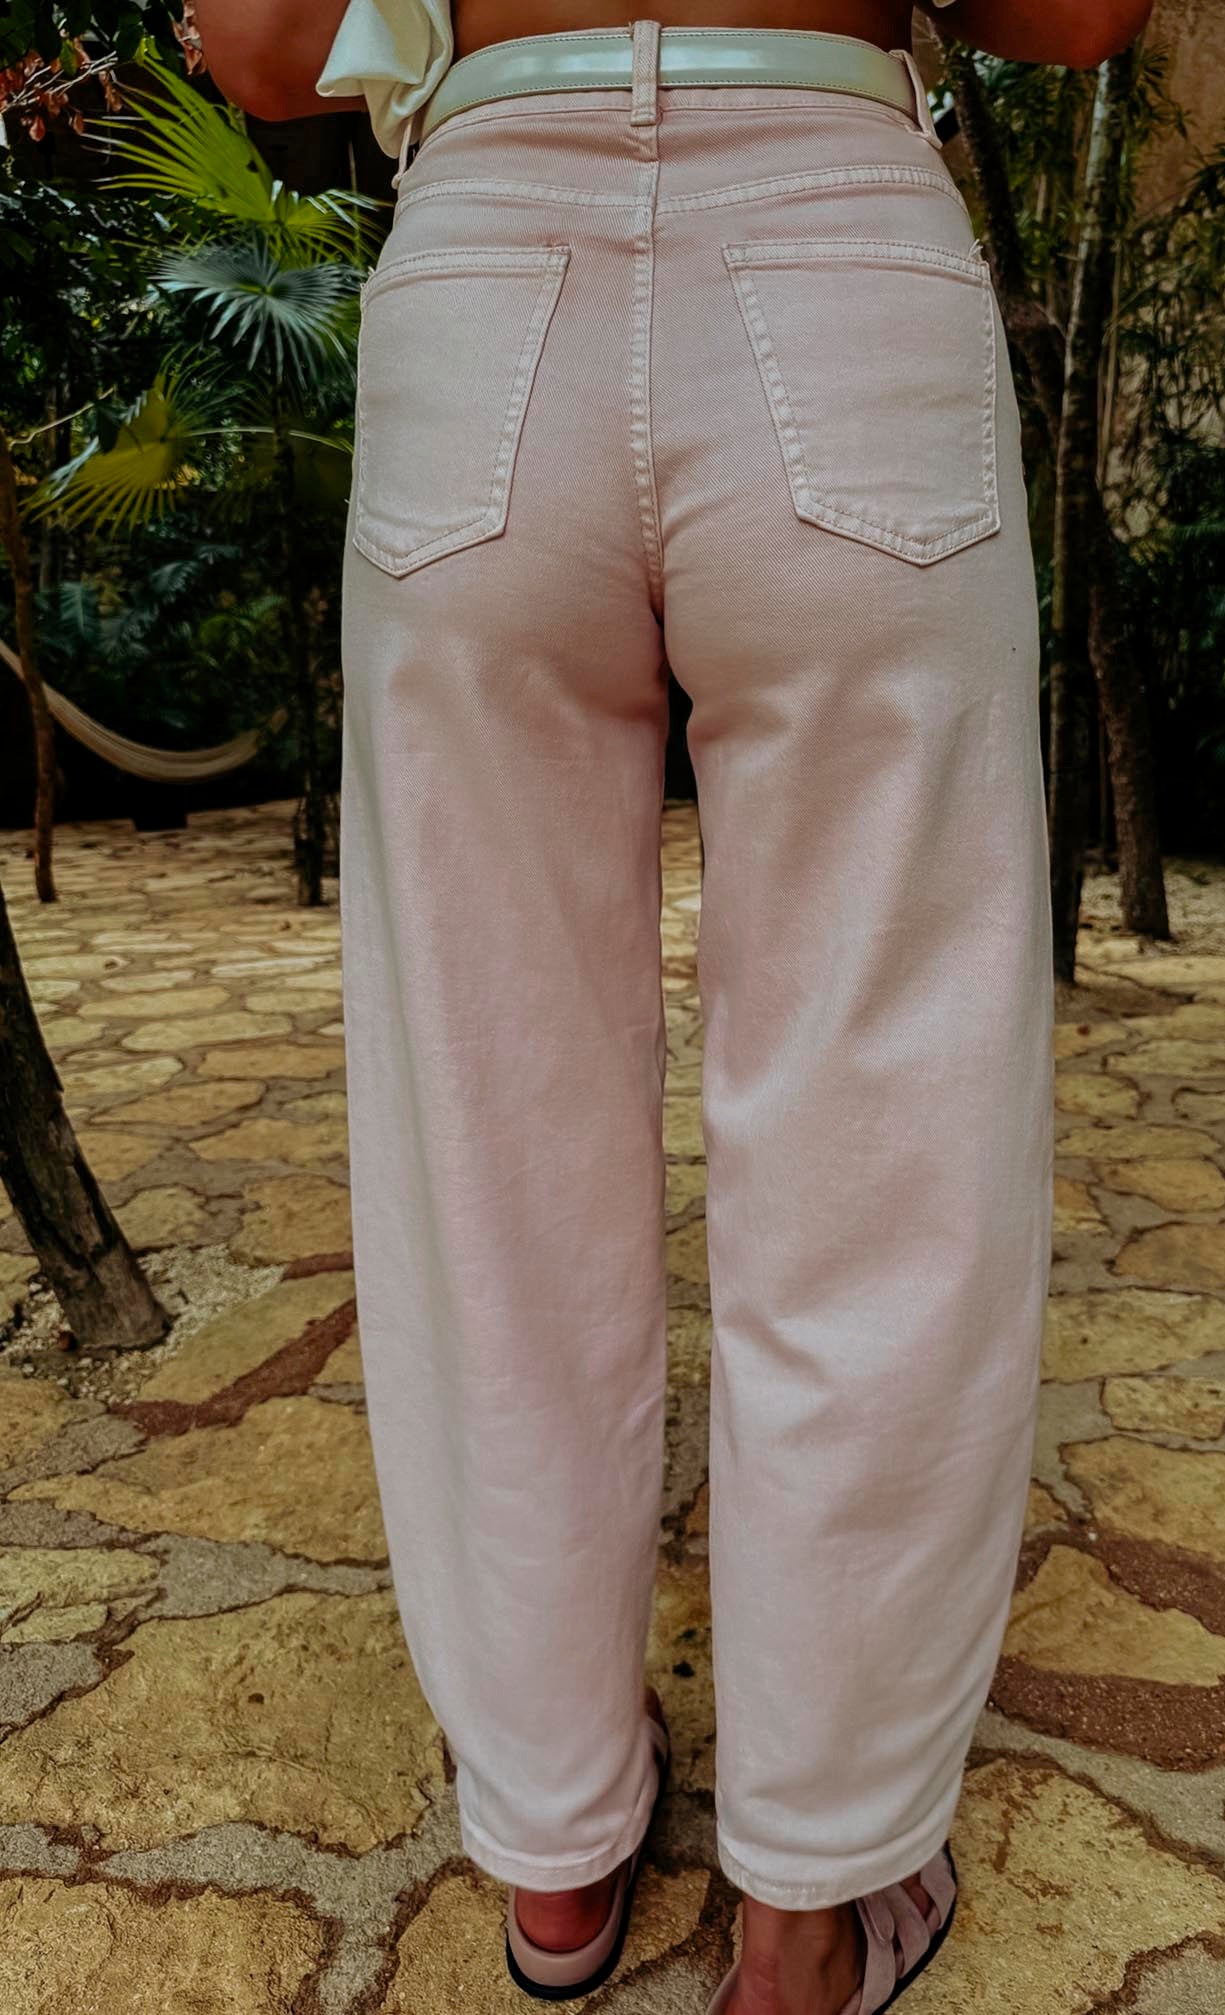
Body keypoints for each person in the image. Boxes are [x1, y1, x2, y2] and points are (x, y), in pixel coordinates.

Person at [196, 3, 1149, 2010]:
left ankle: (556, 1845)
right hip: (838, 247)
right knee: (886, 1150)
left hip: (491, 287)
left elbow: (265, 51)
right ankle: (809, 1897)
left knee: (491, 1143)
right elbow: (1082, 18)